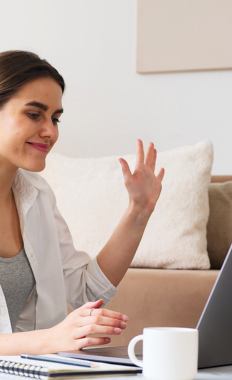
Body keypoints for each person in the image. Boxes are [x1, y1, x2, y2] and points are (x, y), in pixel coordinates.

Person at [0, 50, 164, 355]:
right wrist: (50, 340)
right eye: (34, 114)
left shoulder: (37, 195)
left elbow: (84, 290)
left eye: (55, 118)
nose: (50, 131)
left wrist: (139, 211)